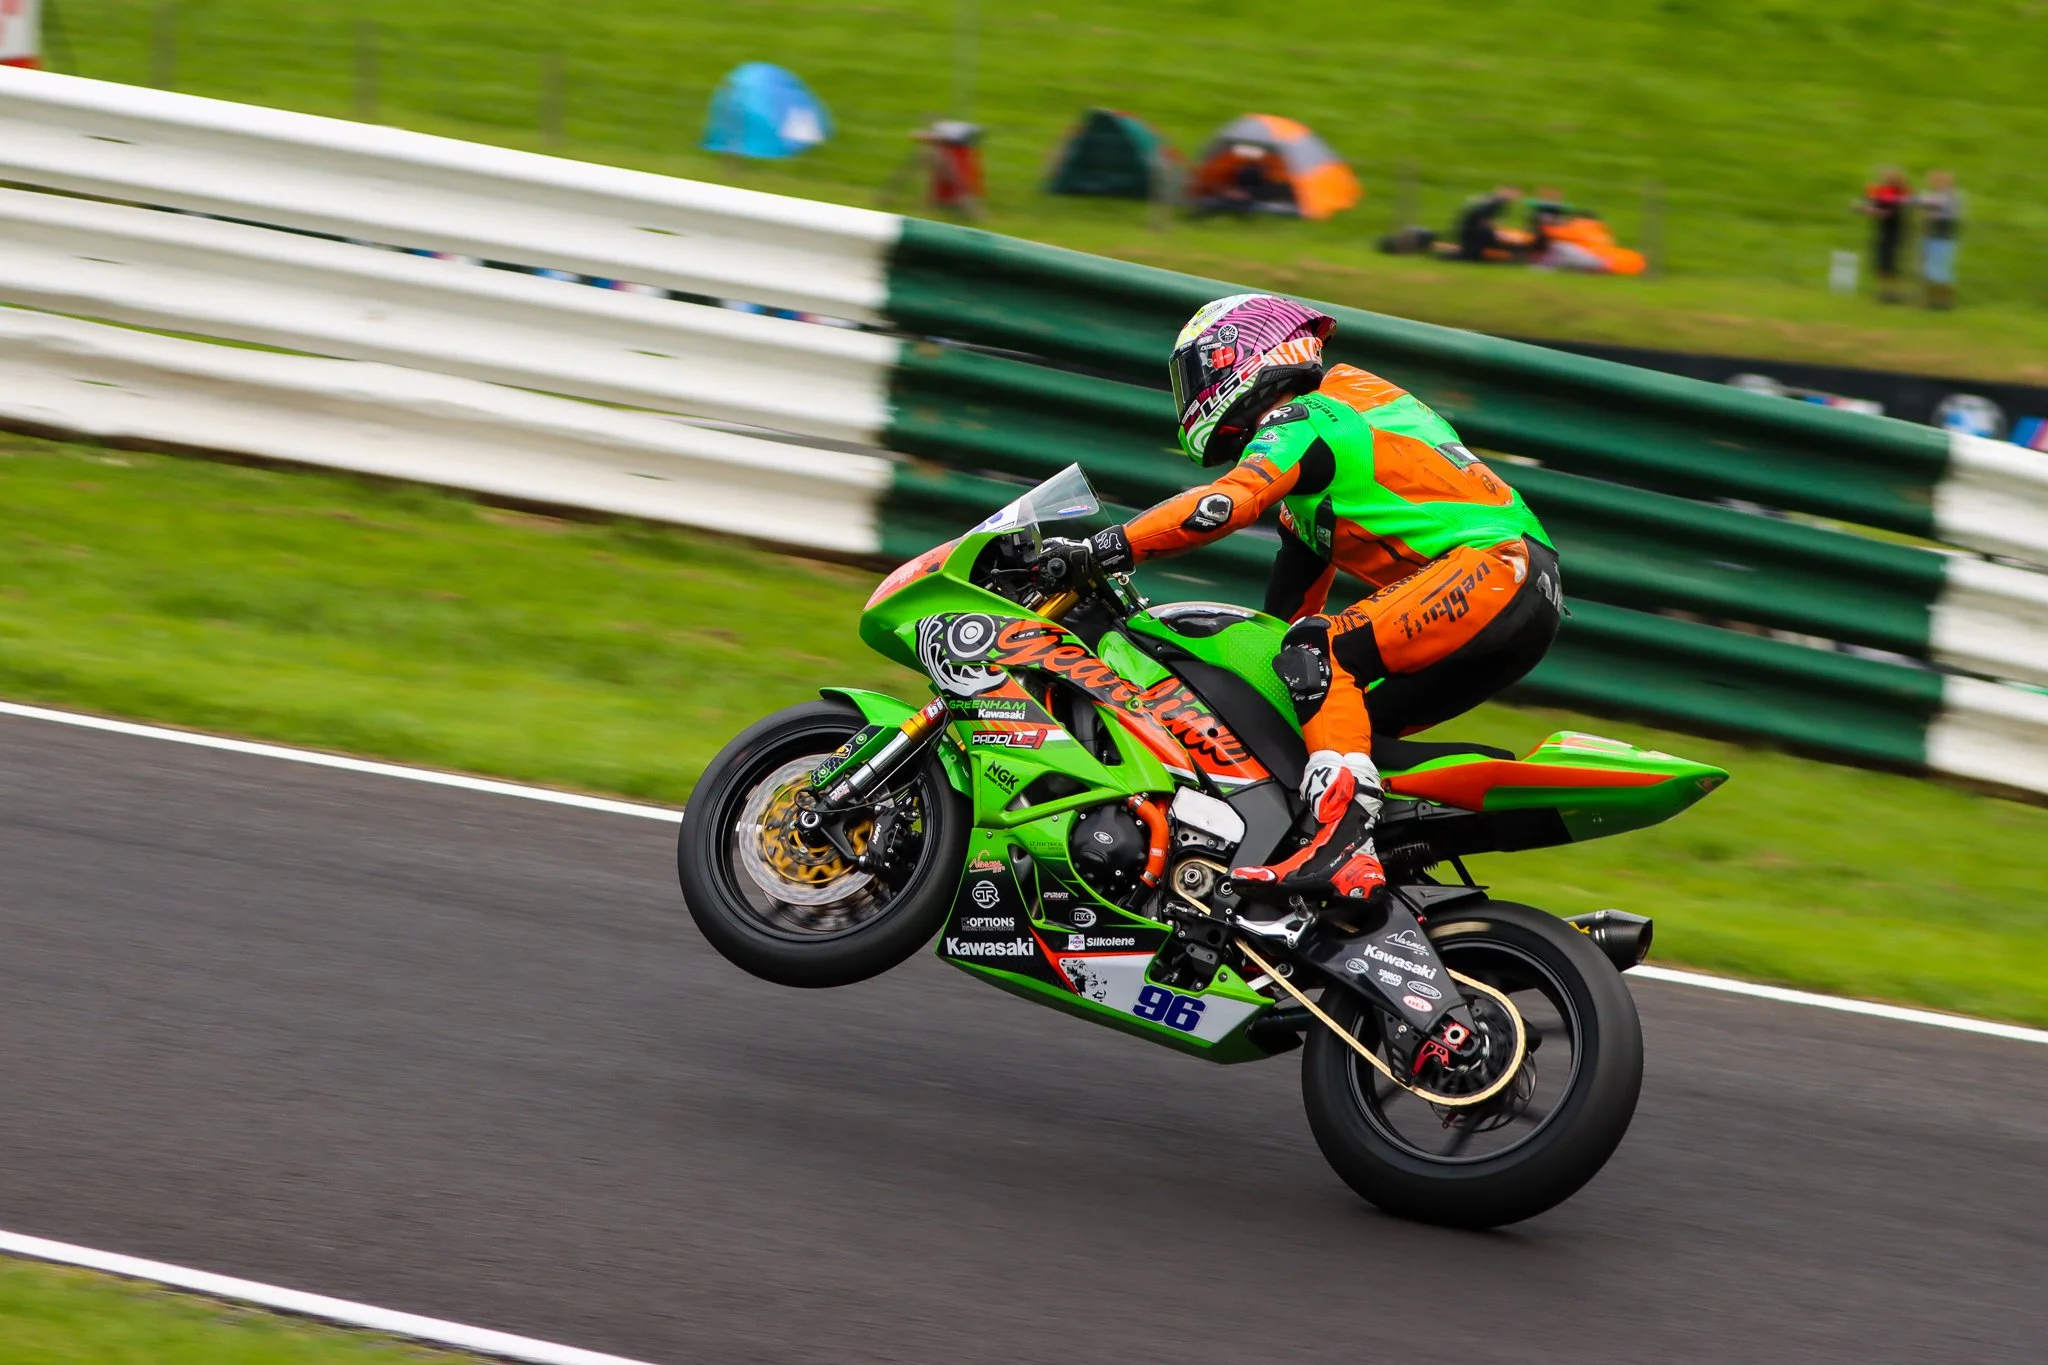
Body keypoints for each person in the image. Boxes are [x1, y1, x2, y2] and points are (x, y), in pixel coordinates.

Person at [1057, 294, 1562, 902]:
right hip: (1522, 594)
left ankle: (1340, 849)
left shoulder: (1305, 417)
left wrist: (1105, 547)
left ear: (1239, 356)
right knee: (1341, 724)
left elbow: (1222, 505)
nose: (1190, 391)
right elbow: (1280, 621)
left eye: (1197, 372)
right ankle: (1411, 857)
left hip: (1492, 571)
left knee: (1320, 651)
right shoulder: (1331, 449)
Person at [1858, 169, 1911, 303]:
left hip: (1895, 232)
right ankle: (1883, 291)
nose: (1883, 180)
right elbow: (1874, 205)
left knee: (1891, 262)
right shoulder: (1883, 192)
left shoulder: (1899, 194)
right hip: (1883, 231)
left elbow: (1889, 213)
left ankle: (1895, 292)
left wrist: (1871, 210)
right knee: (1880, 261)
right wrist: (1866, 205)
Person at [1914, 170, 1963, 310]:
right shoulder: (1935, 196)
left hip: (1944, 238)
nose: (1933, 184)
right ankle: (1933, 301)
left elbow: (1930, 207)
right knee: (1929, 269)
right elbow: (1920, 204)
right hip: (1931, 236)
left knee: (1942, 270)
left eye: (1936, 181)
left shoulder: (1952, 196)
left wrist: (1925, 209)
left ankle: (1946, 301)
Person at [1454, 184, 1524, 261]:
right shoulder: (1494, 203)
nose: (1516, 198)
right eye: (1515, 195)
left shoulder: (1493, 201)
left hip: (1470, 230)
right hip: (1474, 232)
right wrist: (1496, 233)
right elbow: (1482, 220)